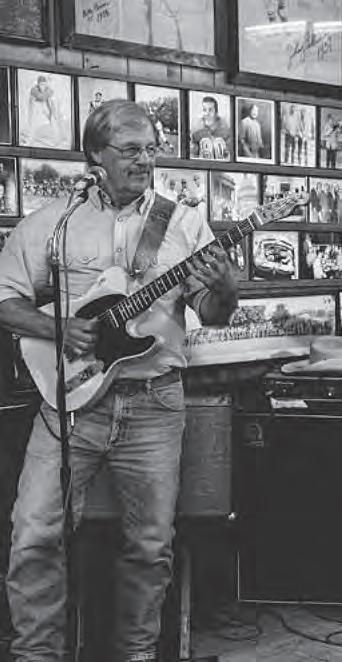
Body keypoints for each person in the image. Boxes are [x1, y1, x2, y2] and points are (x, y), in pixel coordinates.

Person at [0, 100, 238, 662]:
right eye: (131, 150)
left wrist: (225, 287)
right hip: (69, 403)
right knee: (34, 534)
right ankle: (36, 654)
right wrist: (56, 329)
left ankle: (137, 654)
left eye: (152, 149)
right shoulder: (54, 222)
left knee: (150, 546)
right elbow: (5, 298)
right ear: (95, 156)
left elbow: (214, 311)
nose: (145, 160)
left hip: (154, 402)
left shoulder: (183, 223)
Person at [189, 95, 230, 160]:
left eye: (210, 110)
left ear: (216, 112)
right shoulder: (197, 129)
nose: (207, 113)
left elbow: (229, 153)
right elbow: (193, 153)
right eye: (204, 110)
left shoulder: (225, 128)